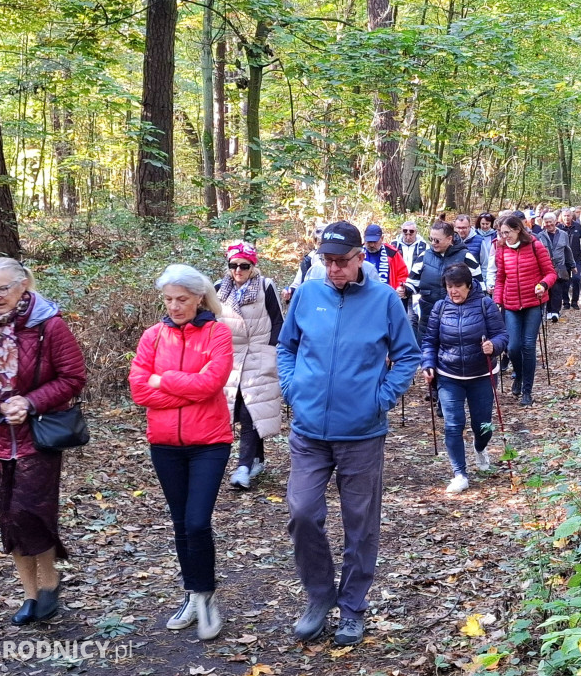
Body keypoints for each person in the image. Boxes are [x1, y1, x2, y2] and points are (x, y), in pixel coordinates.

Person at [278, 221, 420, 646]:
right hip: (308, 430)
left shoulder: (383, 301)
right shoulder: (307, 294)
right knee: (302, 512)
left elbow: (408, 354)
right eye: (327, 261)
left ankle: (353, 607)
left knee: (360, 522)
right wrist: (292, 387)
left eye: (342, 261)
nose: (334, 269)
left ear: (361, 257)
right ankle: (319, 596)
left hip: (361, 432)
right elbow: (286, 347)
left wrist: (381, 398)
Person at [0, 258, 87, 626]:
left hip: (39, 436)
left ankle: (50, 584)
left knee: (29, 512)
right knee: (8, 519)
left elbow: (73, 377)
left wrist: (28, 403)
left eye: (2, 288)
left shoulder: (50, 325)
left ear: (24, 286)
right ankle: (30, 595)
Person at [129, 265, 234, 641]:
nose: (174, 306)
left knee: (196, 522)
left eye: (182, 299)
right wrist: (180, 386)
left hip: (210, 442)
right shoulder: (152, 337)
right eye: (169, 299)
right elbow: (140, 389)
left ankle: (206, 596)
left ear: (199, 298)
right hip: (165, 445)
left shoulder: (217, 333)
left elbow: (211, 384)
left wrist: (164, 380)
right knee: (179, 523)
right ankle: (192, 594)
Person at [421, 264, 508, 494]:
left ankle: (480, 447)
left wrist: (493, 346)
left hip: (481, 374)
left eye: (458, 286)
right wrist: (428, 364)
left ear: (469, 285)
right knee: (453, 424)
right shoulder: (440, 308)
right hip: (449, 375)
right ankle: (460, 473)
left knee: (483, 426)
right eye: (449, 286)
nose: (453, 291)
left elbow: (502, 335)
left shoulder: (484, 304)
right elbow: (430, 341)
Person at [216, 242, 283, 490]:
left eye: (244, 265)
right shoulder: (218, 290)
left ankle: (243, 467)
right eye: (233, 265)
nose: (238, 271)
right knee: (242, 411)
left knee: (250, 411)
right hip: (230, 359)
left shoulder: (265, 286)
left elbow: (278, 322)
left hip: (258, 355)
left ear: (252, 266)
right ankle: (257, 460)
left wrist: (272, 352)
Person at [493, 215, 556, 406]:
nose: (504, 237)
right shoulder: (502, 249)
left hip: (533, 303)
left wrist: (543, 285)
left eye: (507, 233)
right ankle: (518, 375)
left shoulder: (536, 246)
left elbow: (550, 272)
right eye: (502, 233)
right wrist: (497, 300)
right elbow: (500, 278)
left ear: (518, 229)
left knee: (528, 345)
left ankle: (527, 390)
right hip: (510, 304)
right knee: (512, 347)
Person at [400, 221, 482, 344]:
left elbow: (479, 287)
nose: (433, 243)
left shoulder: (466, 256)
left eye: (437, 240)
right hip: (428, 315)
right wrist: (405, 289)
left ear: (449, 239)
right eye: (431, 239)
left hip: (458, 316)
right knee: (427, 354)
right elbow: (413, 282)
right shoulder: (424, 256)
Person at [391, 221, 427, 336]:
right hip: (398, 286)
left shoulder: (423, 246)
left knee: (412, 318)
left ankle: (412, 345)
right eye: (405, 232)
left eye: (411, 232)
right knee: (396, 317)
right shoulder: (394, 245)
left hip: (415, 286)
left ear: (416, 232)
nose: (408, 235)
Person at [540, 212, 575, 324]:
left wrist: (572, 265)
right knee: (548, 288)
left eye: (551, 222)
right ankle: (549, 311)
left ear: (555, 222)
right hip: (545, 266)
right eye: (546, 222)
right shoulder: (540, 236)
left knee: (557, 289)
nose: (549, 224)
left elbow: (568, 250)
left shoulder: (563, 234)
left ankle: (555, 311)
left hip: (560, 266)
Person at [283, 223, 326, 302]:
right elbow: (298, 283)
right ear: (316, 243)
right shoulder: (309, 259)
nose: (322, 247)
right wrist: (290, 291)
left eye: (325, 243)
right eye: (320, 243)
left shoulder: (337, 259)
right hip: (310, 301)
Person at [363, 224, 409, 289]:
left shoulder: (392, 253)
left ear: (382, 238)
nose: (372, 245)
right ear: (364, 238)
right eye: (369, 242)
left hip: (386, 295)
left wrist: (399, 287)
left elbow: (403, 274)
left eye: (375, 242)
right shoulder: (357, 252)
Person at [559, 208, 581, 310]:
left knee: (576, 279)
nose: (566, 218)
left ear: (572, 216)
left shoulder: (578, 227)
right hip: (563, 259)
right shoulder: (559, 228)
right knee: (565, 281)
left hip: (576, 258)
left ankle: (575, 301)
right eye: (565, 216)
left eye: (568, 215)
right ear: (562, 216)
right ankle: (565, 301)